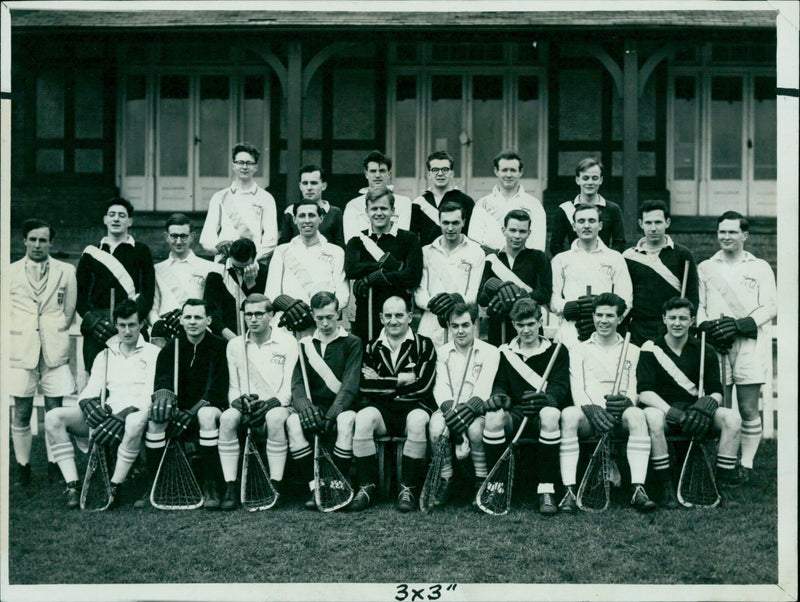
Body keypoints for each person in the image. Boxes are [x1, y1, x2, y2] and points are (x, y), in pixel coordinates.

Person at [45, 299, 159, 509]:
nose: (127, 331)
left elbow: (150, 395)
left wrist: (125, 413)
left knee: (133, 421)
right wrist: (89, 404)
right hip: (108, 417)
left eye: (132, 325)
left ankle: (114, 486)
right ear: (115, 324)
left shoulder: (154, 353)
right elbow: (89, 391)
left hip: (137, 414)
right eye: (122, 325)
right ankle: (73, 485)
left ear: (141, 324)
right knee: (53, 417)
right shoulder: (105, 354)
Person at [638, 297, 743, 508]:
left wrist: (705, 406)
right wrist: (670, 412)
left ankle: (723, 486)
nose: (677, 323)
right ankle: (666, 488)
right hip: (664, 409)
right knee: (652, 417)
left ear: (692, 321)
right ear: (664, 319)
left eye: (683, 318)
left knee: (732, 418)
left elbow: (716, 391)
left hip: (695, 410)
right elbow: (644, 392)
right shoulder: (650, 348)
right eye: (673, 318)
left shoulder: (705, 349)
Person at [697, 211, 776, 481]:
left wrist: (741, 325)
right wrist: (708, 327)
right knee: (724, 408)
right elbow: (700, 307)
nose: (726, 237)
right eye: (722, 232)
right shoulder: (707, 266)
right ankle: (724, 462)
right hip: (718, 342)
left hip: (748, 343)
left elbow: (770, 306)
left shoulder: (760, 266)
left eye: (732, 232)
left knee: (748, 407)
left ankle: (747, 462)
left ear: (745, 235)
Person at [559, 293, 656, 513]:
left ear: (620, 319)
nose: (604, 320)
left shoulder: (633, 350)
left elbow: (634, 388)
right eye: (599, 315)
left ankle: (638, 489)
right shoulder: (578, 350)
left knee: (637, 415)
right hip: (589, 414)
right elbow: (578, 388)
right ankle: (569, 491)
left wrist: (626, 402)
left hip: (619, 414)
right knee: (568, 415)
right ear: (593, 316)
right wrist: (592, 409)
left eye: (610, 316)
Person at [349, 296, 437, 512]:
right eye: (388, 315)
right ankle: (367, 487)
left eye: (399, 315)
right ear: (380, 318)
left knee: (417, 420)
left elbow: (423, 387)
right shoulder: (371, 347)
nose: (393, 320)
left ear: (410, 316)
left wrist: (382, 383)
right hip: (383, 413)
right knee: (363, 417)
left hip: (414, 408)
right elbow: (365, 386)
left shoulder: (424, 344)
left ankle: (408, 489)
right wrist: (400, 380)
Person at [140, 299, 229, 510]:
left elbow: (218, 387)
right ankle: (154, 482)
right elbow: (162, 380)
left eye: (198, 317)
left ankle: (211, 485)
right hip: (179, 410)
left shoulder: (219, 346)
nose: (192, 322)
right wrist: (167, 402)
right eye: (187, 317)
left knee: (206, 417)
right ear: (181, 319)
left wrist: (192, 412)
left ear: (208, 320)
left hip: (208, 407)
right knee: (155, 421)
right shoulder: (173, 346)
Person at [485, 298, 570, 514]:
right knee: (493, 417)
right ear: (513, 324)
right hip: (517, 412)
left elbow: (560, 386)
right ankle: (498, 486)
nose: (526, 330)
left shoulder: (558, 351)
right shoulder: (505, 352)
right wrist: (500, 396)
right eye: (520, 325)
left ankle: (546, 490)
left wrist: (547, 400)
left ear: (540, 322)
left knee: (551, 414)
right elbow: (500, 384)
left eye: (531, 324)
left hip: (542, 411)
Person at [9, 219, 77, 486]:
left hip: (54, 349)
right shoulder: (10, 271)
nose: (38, 245)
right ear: (24, 241)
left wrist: (56, 329)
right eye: (33, 239)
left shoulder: (66, 271)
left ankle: (55, 464)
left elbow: (69, 309)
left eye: (43, 240)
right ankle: (22, 467)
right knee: (22, 410)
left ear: (51, 243)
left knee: (54, 410)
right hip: (21, 349)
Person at [217, 294, 298, 510]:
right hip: (247, 405)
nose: (253, 319)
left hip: (278, 405)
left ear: (270, 315)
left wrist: (272, 403)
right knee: (226, 418)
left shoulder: (288, 342)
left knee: (274, 418)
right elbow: (233, 387)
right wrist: (238, 402)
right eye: (249, 314)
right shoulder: (235, 345)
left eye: (259, 314)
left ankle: (275, 484)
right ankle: (231, 486)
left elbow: (289, 387)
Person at [289, 292, 362, 510]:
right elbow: (297, 384)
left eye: (329, 317)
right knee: (292, 423)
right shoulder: (304, 345)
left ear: (338, 313)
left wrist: (333, 413)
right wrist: (305, 408)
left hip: (342, 407)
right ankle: (315, 486)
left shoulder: (352, 342)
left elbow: (350, 384)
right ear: (312, 315)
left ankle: (336, 484)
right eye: (319, 318)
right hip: (315, 407)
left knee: (346, 420)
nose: (325, 323)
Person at [429, 302, 500, 506]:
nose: (460, 331)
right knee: (435, 427)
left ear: (475, 325)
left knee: (476, 428)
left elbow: (484, 388)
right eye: (455, 326)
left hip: (476, 409)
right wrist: (451, 412)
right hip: (448, 408)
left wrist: (464, 414)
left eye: (465, 325)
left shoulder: (490, 351)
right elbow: (439, 387)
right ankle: (446, 479)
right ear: (449, 327)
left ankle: (481, 480)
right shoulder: (441, 352)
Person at [76, 197, 155, 371]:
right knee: (98, 379)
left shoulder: (141, 251)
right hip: (100, 327)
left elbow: (148, 292)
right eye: (112, 215)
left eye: (121, 215)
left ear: (130, 221)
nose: (116, 219)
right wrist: (94, 323)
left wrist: (132, 320)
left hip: (131, 323)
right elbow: (80, 296)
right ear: (105, 219)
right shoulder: (91, 253)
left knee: (133, 376)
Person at [344, 187, 423, 341]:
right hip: (366, 312)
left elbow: (412, 275)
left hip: (397, 312)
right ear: (366, 212)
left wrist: (371, 278)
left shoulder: (408, 239)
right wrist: (384, 268)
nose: (378, 213)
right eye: (374, 209)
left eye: (383, 208)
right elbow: (351, 269)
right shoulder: (357, 241)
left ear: (393, 210)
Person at [550, 203, 632, 350]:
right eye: (581, 221)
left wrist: (604, 319)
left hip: (605, 332)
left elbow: (625, 299)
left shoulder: (615, 258)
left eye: (591, 221)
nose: (586, 226)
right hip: (571, 332)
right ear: (574, 226)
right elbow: (553, 299)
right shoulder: (561, 260)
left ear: (600, 225)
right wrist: (572, 307)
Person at [266, 199, 349, 335]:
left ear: (321, 218)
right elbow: (271, 293)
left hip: (322, 325)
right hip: (288, 324)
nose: (307, 220)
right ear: (294, 219)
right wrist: (291, 309)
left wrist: (318, 315)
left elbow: (343, 294)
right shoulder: (282, 251)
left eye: (311, 215)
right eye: (302, 216)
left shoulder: (336, 251)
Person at [622, 200, 698, 346]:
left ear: (667, 222)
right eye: (648, 223)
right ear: (640, 223)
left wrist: (687, 324)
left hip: (671, 327)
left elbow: (692, 294)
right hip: (639, 329)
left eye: (658, 222)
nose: (653, 228)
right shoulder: (628, 256)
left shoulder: (682, 254)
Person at [414, 201, 485, 347]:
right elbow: (420, 295)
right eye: (445, 222)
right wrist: (438, 306)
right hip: (431, 320)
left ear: (463, 222)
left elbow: (472, 295)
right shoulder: (426, 252)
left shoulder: (476, 252)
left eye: (455, 222)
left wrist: (453, 303)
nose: (450, 228)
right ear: (439, 222)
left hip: (462, 320)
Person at [477, 209, 551, 346]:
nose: (517, 236)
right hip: (499, 325)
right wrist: (495, 292)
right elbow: (481, 298)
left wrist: (518, 297)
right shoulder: (492, 259)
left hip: (528, 325)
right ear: (503, 230)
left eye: (522, 231)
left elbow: (545, 294)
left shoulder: (538, 257)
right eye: (512, 230)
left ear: (529, 233)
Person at [199, 142, 278, 263]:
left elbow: (271, 239)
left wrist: (253, 258)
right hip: (224, 262)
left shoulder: (266, 198)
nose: (244, 167)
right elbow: (206, 237)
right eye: (240, 162)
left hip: (254, 263)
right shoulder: (219, 197)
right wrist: (220, 247)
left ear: (256, 167)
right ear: (233, 165)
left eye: (249, 163)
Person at [149, 213, 223, 341]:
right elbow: (152, 307)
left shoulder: (211, 268)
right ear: (166, 237)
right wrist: (158, 324)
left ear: (192, 237)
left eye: (183, 236)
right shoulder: (156, 270)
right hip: (167, 334)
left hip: (200, 334)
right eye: (174, 236)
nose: (178, 241)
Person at [470, 150, 547, 253]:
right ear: (496, 171)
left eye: (513, 170)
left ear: (520, 172)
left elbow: (538, 243)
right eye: (504, 170)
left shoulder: (533, 204)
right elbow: (474, 240)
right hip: (489, 262)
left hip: (523, 262)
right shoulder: (483, 203)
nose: (509, 175)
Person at [549, 157, 626, 256]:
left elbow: (619, 243)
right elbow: (556, 245)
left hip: (603, 265)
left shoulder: (613, 209)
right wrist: (570, 262)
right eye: (585, 178)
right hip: (574, 265)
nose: (590, 182)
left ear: (600, 180)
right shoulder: (565, 209)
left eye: (594, 178)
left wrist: (606, 261)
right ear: (578, 180)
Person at [204, 238, 268, 341]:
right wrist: (231, 338)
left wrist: (250, 284)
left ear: (254, 258)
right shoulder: (216, 273)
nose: (240, 271)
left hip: (257, 336)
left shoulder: (264, 272)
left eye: (245, 267)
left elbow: (264, 308)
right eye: (236, 267)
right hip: (225, 336)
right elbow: (210, 311)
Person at [343, 150, 412, 244]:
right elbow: (351, 241)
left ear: (389, 174)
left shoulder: (404, 202)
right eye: (373, 171)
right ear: (366, 174)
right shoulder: (353, 205)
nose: (377, 175)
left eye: (382, 171)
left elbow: (403, 238)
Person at [410, 151, 476, 247]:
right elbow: (413, 237)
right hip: (427, 258)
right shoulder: (419, 203)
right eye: (435, 170)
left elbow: (471, 236)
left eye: (445, 169)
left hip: (458, 256)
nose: (440, 174)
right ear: (429, 174)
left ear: (452, 173)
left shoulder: (466, 201)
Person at [279, 164, 345, 248]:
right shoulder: (290, 211)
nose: (309, 187)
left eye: (314, 183)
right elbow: (283, 245)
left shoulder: (335, 213)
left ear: (324, 186)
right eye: (305, 183)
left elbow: (340, 246)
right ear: (300, 186)